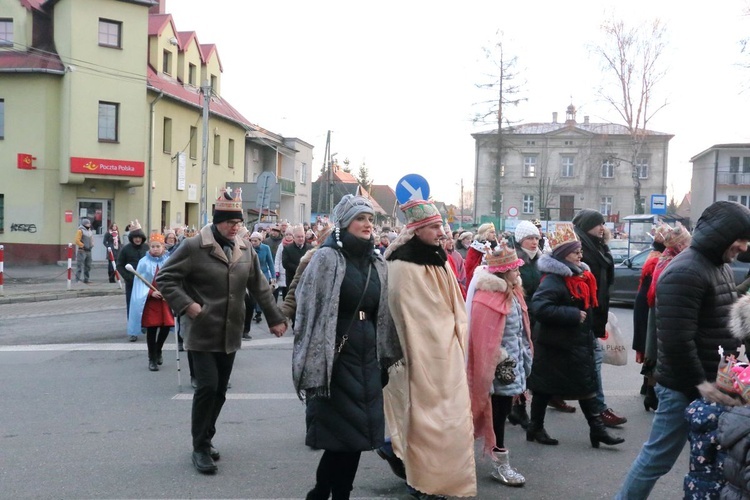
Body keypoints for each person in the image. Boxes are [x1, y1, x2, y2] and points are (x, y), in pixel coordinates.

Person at [615, 201, 750, 499]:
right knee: (656, 459)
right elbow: (676, 341)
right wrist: (701, 385)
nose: (744, 245)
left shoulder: (716, 264)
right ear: (721, 234)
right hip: (683, 387)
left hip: (709, 381)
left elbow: (719, 319)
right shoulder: (686, 270)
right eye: (740, 237)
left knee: (713, 463)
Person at [156, 187, 287, 475]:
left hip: (230, 331)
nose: (235, 227)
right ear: (217, 221)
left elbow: (260, 287)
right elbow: (165, 279)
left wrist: (275, 318)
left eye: (239, 223)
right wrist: (187, 305)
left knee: (220, 392)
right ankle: (200, 447)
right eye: (230, 222)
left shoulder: (245, 248)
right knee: (207, 387)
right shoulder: (193, 246)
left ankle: (206, 437)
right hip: (201, 330)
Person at [292, 194, 403, 500]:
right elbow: (308, 310)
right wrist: (314, 360)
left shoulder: (375, 261)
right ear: (344, 223)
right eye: (360, 219)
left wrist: (385, 356)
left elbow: (384, 312)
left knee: (357, 436)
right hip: (336, 355)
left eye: (370, 219)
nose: (368, 224)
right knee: (342, 437)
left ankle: (329, 492)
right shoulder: (326, 259)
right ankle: (329, 492)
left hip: (367, 355)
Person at [382, 199, 477, 499]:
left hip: (445, 352)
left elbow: (451, 303)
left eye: (441, 225)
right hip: (420, 356)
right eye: (435, 227)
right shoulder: (403, 264)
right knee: (422, 419)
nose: (442, 232)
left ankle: (438, 476)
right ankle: (421, 480)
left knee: (448, 419)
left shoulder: (436, 256)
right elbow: (408, 316)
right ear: (417, 230)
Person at [526, 223, 624, 448]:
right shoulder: (553, 279)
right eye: (576, 252)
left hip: (574, 342)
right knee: (550, 388)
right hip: (556, 344)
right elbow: (540, 307)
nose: (581, 255)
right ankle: (537, 427)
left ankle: (594, 430)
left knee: (581, 385)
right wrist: (571, 314)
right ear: (563, 256)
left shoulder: (578, 276)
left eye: (580, 251)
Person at [466, 240, 531, 487]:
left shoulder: (512, 292)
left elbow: (520, 332)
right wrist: (496, 366)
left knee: (500, 415)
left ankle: (493, 460)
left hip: (512, 367)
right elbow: (482, 340)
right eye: (515, 269)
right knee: (493, 416)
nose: (518, 273)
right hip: (498, 371)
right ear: (504, 272)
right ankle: (500, 464)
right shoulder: (487, 297)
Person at [572, 209, 626, 427]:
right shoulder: (580, 249)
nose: (603, 228)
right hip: (585, 314)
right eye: (598, 224)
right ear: (587, 226)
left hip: (596, 311)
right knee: (593, 361)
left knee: (575, 364)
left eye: (604, 224)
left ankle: (547, 399)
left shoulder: (598, 247)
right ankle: (599, 410)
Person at [507, 220, 543, 428]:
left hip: (536, 314)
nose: (533, 242)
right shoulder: (516, 260)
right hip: (521, 313)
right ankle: (517, 408)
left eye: (536, 238)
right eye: (530, 238)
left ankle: (517, 408)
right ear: (521, 240)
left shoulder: (540, 258)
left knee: (529, 361)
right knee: (520, 360)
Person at [127, 233, 174, 371]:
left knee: (166, 326)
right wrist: (151, 293)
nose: (155, 249)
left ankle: (158, 349)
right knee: (152, 329)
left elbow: (174, 278)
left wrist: (168, 290)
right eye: (153, 246)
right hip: (151, 301)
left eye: (158, 246)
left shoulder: (169, 261)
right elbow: (139, 283)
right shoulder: (144, 262)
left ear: (163, 247)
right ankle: (151, 358)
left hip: (165, 300)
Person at [116, 220, 148, 341]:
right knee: (132, 305)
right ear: (132, 238)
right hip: (132, 282)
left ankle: (144, 324)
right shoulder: (126, 249)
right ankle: (133, 331)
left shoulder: (147, 247)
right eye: (135, 238)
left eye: (139, 237)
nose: (137, 240)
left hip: (145, 282)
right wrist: (128, 277)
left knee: (145, 304)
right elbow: (120, 265)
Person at [248, 230, 275, 329]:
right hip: (252, 273)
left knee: (261, 293)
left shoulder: (266, 248)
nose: (253, 243)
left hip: (263, 273)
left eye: (255, 241)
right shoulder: (249, 248)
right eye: (252, 241)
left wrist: (273, 277)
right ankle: (255, 309)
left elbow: (270, 263)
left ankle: (258, 313)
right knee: (253, 295)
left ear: (260, 240)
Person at [282, 225, 312, 301]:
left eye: (302, 236)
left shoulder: (310, 248)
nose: (301, 239)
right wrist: (299, 269)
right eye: (298, 237)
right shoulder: (287, 249)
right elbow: (285, 264)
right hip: (292, 280)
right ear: (294, 237)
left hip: (307, 280)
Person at [465, 222, 497, 287]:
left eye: (494, 232)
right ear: (485, 233)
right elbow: (469, 267)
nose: (494, 234)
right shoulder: (476, 247)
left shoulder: (495, 247)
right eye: (492, 232)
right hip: (479, 281)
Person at [274, 228, 294, 302]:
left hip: (291, 270)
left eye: (290, 235)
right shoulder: (281, 245)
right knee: (283, 290)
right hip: (282, 270)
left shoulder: (294, 244)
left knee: (290, 289)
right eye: (287, 235)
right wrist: (276, 270)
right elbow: (277, 258)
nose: (288, 236)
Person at [74, 218, 94, 283]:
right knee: (80, 265)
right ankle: (77, 279)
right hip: (82, 250)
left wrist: (92, 244)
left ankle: (86, 279)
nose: (89, 224)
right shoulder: (80, 231)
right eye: (88, 223)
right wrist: (83, 245)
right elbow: (77, 240)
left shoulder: (90, 231)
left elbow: (91, 239)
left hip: (89, 250)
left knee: (88, 266)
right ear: (85, 224)